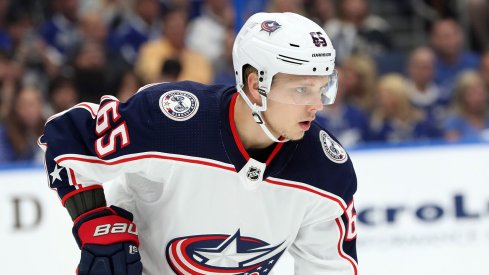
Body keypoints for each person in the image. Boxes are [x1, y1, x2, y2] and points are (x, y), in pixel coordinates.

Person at [39, 12, 358, 275]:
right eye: (302, 90)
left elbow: (330, 267)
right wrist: (91, 218)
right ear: (254, 84)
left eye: (322, 88)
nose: (317, 104)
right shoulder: (169, 120)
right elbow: (65, 139)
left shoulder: (328, 172)